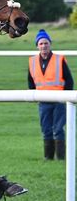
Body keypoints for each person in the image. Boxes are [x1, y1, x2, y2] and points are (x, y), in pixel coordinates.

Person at [28, 29, 73, 160]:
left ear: (50, 44)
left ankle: (61, 157)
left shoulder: (59, 59)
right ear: (37, 45)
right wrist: (35, 96)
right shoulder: (32, 61)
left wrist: (66, 97)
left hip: (59, 100)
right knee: (46, 130)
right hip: (43, 101)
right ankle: (48, 157)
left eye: (46, 43)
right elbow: (30, 81)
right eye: (41, 43)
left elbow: (69, 80)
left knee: (58, 129)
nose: (44, 46)